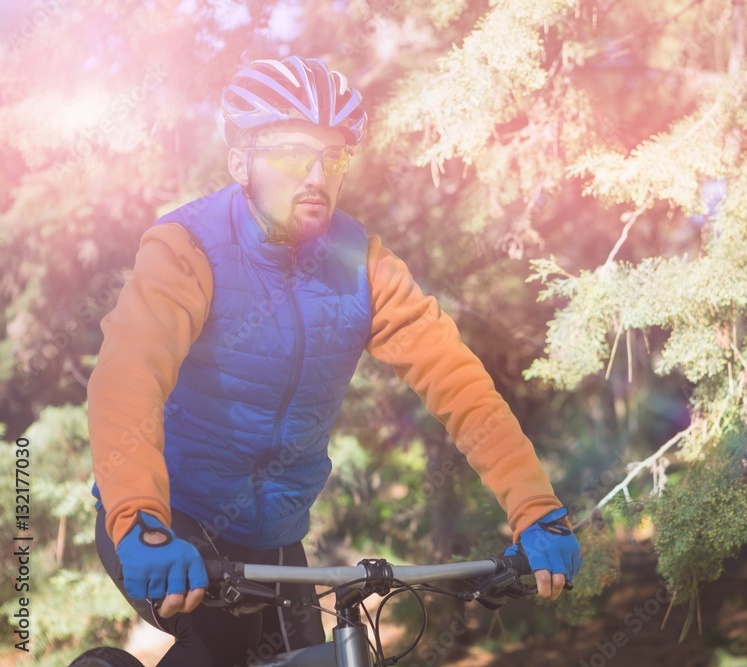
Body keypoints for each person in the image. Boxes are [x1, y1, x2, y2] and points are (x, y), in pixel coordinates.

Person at [87, 55, 582, 666]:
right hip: (170, 523)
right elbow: (127, 378)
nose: (317, 175)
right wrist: (140, 521)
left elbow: (456, 381)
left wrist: (536, 510)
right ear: (241, 161)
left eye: (333, 157)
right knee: (217, 652)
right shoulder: (188, 249)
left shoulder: (361, 262)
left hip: (275, 542)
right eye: (293, 154)